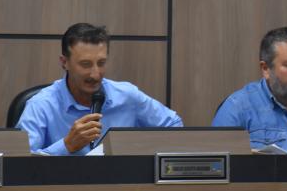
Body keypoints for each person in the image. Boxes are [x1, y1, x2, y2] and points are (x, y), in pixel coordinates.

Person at [17, 23, 183, 155]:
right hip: (61, 186)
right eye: (85, 64)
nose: (95, 74)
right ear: (64, 62)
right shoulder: (40, 105)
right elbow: (18, 163)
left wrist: (138, 149)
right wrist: (66, 145)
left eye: (101, 63)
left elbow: (174, 125)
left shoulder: (127, 96)